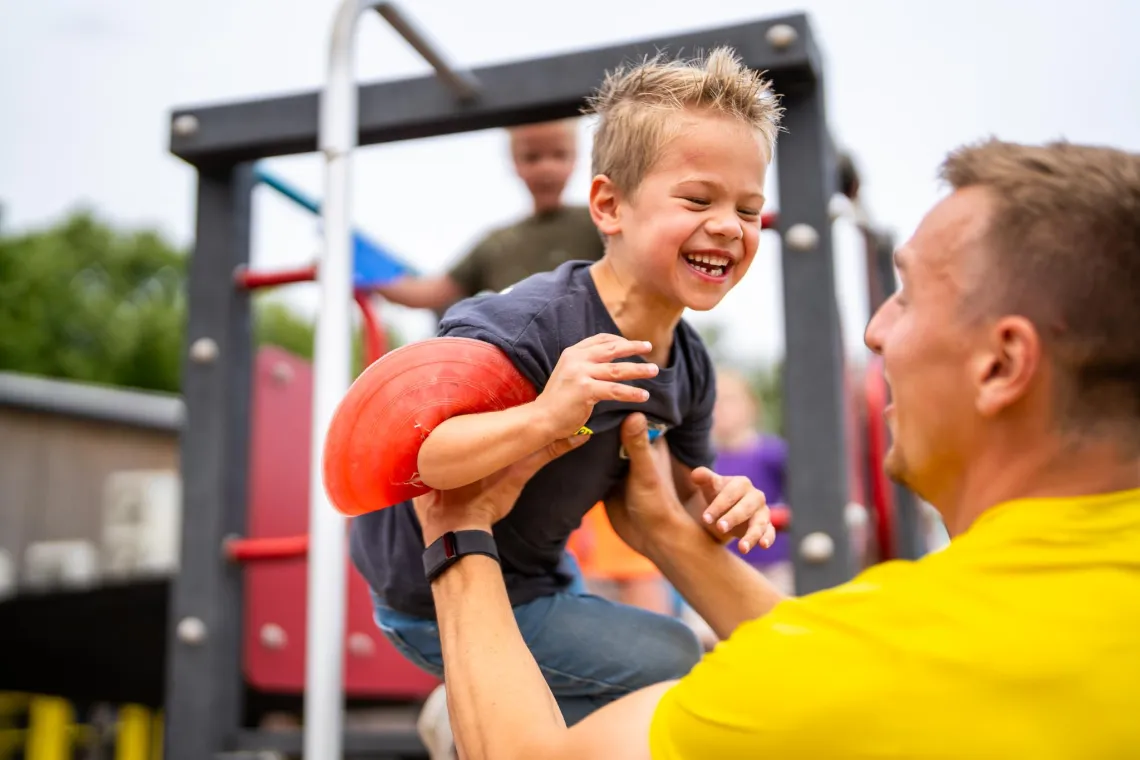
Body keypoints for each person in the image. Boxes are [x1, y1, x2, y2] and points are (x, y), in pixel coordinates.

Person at [401, 137, 1140, 759]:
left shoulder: (836, 677)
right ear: (609, 208)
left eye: (906, 296)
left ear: (1002, 364)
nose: (876, 331)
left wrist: (458, 533)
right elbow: (839, 651)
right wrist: (668, 531)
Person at [350, 45, 781, 731]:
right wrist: (547, 413)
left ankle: (482, 710)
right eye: (699, 199)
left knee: (660, 661)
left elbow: (662, 504)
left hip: (539, 574)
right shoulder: (535, 324)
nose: (729, 225)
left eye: (751, 210)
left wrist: (724, 507)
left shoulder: (690, 367)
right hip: (430, 588)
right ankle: (466, 714)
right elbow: (417, 456)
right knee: (670, 654)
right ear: (609, 206)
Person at [373, 119, 604, 313]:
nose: (546, 167)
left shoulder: (600, 224)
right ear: (514, 162)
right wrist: (364, 268)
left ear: (576, 158)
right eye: (532, 157)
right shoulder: (495, 245)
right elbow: (429, 293)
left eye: (559, 155)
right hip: (528, 362)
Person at [710, 367, 791, 593]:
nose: (721, 409)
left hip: (773, 565)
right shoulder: (704, 461)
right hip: (725, 565)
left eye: (729, 401)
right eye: (713, 402)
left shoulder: (772, 453)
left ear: (751, 406)